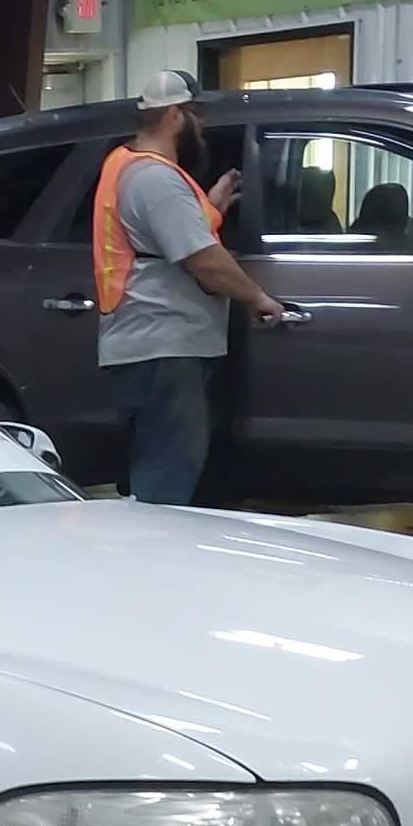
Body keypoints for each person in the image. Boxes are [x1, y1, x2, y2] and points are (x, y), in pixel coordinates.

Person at [92, 71, 285, 506]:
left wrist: (210, 209)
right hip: (164, 345)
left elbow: (161, 236)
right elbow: (203, 260)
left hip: (149, 343)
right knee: (167, 477)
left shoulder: (127, 166)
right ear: (177, 116)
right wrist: (258, 297)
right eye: (197, 117)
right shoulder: (155, 179)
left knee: (161, 469)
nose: (203, 128)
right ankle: (156, 566)